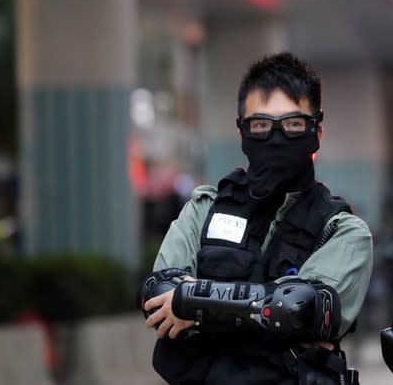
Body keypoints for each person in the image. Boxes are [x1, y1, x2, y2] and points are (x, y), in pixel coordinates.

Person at [138, 52, 373, 385]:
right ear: (242, 133)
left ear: (316, 131)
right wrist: (264, 307)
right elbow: (157, 294)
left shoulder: (342, 231)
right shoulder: (204, 208)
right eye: (260, 126)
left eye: (293, 125)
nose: (276, 138)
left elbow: (298, 310)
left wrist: (192, 301)